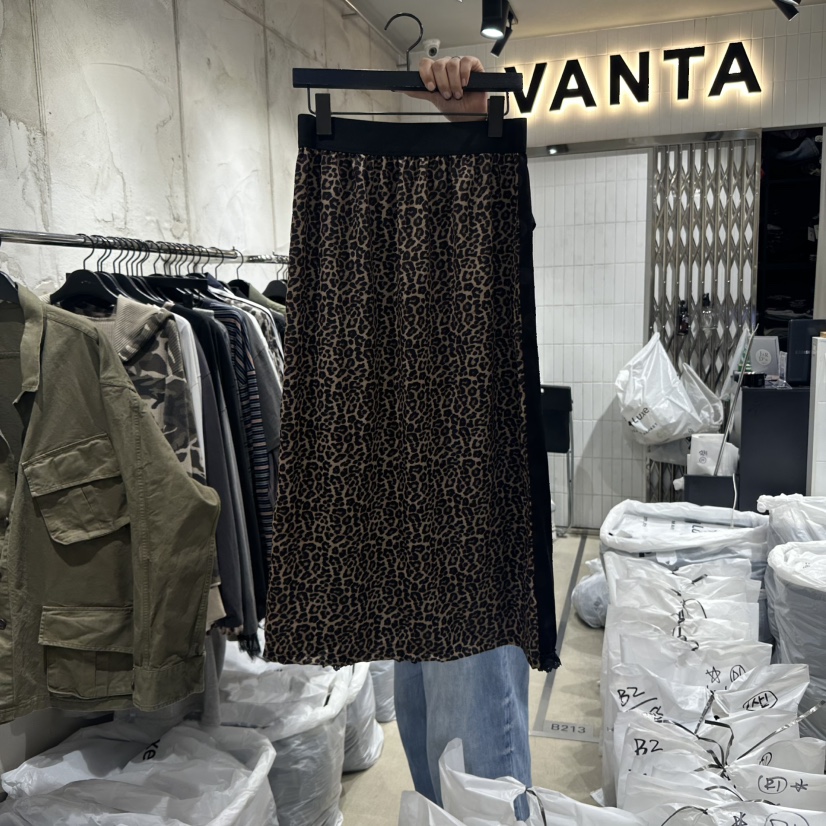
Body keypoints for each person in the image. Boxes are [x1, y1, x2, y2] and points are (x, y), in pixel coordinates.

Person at [393, 55, 533, 823]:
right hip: (416, 511)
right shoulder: (391, 291)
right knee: (426, 726)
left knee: (478, 741)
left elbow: (500, 218)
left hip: (474, 512)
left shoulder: (484, 286)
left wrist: (477, 125)